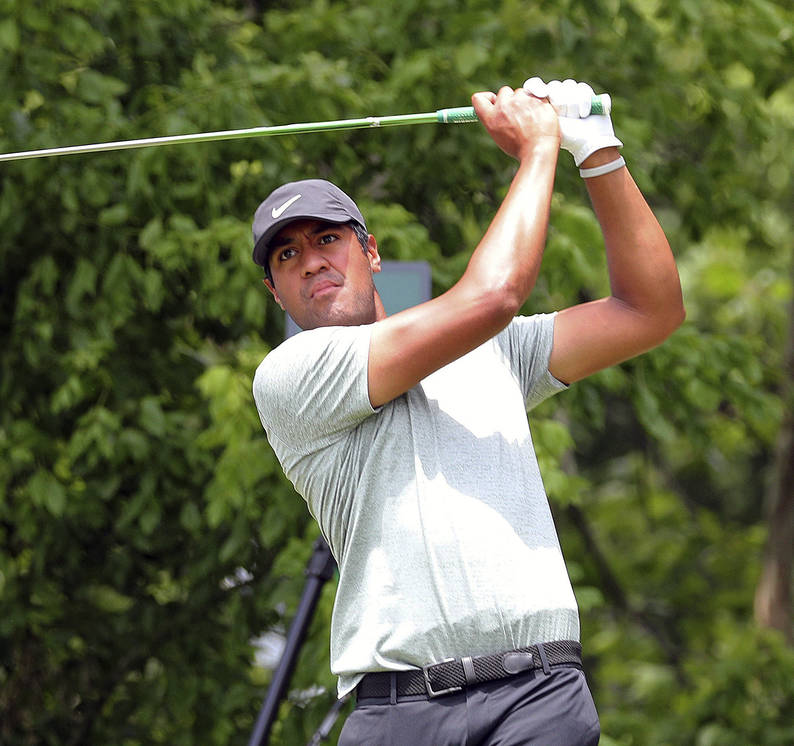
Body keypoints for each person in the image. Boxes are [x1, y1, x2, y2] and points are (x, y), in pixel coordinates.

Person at [249, 78, 684, 744]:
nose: (311, 263)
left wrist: (596, 149)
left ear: (370, 252)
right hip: (399, 713)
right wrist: (541, 147)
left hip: (538, 696)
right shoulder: (290, 378)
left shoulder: (495, 352)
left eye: (327, 240)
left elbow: (648, 310)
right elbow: (494, 295)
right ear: (278, 295)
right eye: (288, 255)